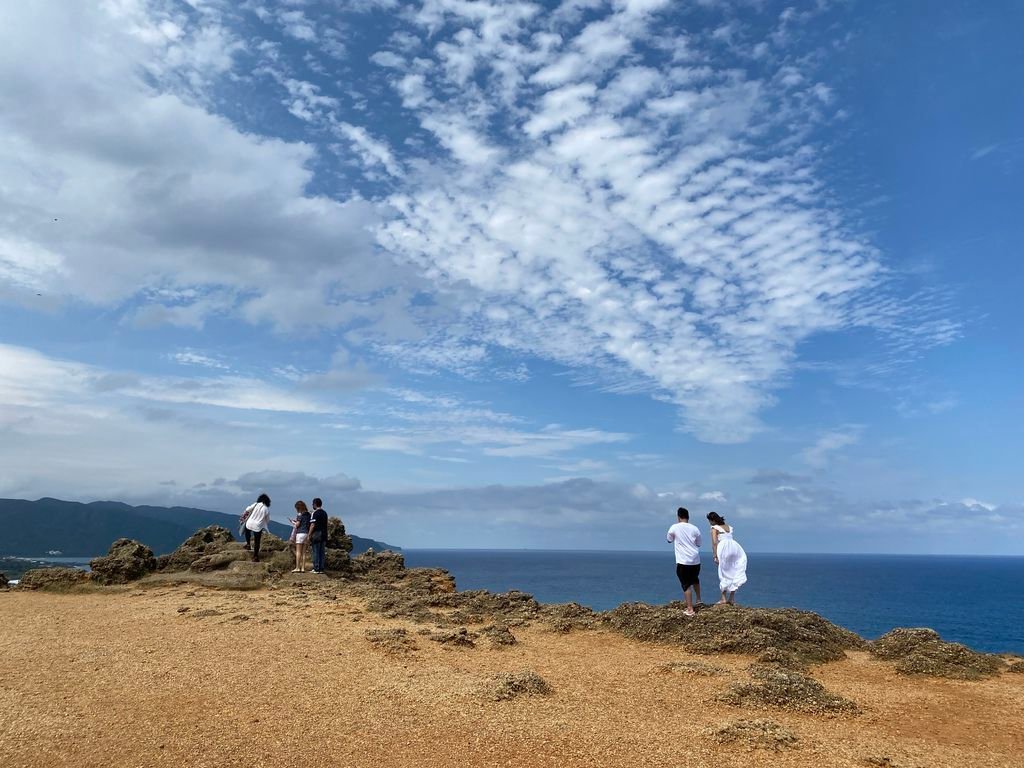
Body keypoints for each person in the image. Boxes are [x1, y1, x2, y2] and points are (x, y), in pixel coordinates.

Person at [666, 507, 702, 617]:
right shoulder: (695, 528)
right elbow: (699, 543)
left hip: (683, 561)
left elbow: (669, 539)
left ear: (678, 516)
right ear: (688, 517)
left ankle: (690, 609)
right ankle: (699, 600)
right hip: (695, 560)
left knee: (686, 585)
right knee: (695, 579)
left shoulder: (674, 527)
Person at [707, 511, 747, 604]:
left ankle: (723, 598)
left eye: (709, 521)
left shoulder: (714, 528)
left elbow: (714, 543)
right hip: (734, 547)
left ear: (712, 520)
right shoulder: (728, 527)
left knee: (723, 572)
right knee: (733, 571)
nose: (709, 523)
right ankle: (732, 598)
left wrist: (715, 555)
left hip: (724, 548)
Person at [243, 493, 272, 562]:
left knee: (247, 533)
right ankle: (255, 556)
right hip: (258, 526)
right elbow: (268, 520)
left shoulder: (256, 504)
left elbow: (247, 509)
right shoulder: (266, 509)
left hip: (249, 523)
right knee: (257, 541)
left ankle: (248, 544)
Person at [289, 500, 311, 573]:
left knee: (298, 551)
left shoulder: (299, 514)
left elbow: (297, 525)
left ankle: (298, 567)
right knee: (304, 552)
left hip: (300, 533)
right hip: (306, 533)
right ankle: (303, 568)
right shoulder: (308, 514)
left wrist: (293, 522)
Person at [308, 497, 328, 574]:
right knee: (322, 552)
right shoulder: (325, 513)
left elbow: (312, 525)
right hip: (324, 534)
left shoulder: (315, 513)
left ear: (315, 504)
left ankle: (316, 568)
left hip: (316, 534)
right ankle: (321, 568)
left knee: (315, 551)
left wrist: (309, 535)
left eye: (313, 504)